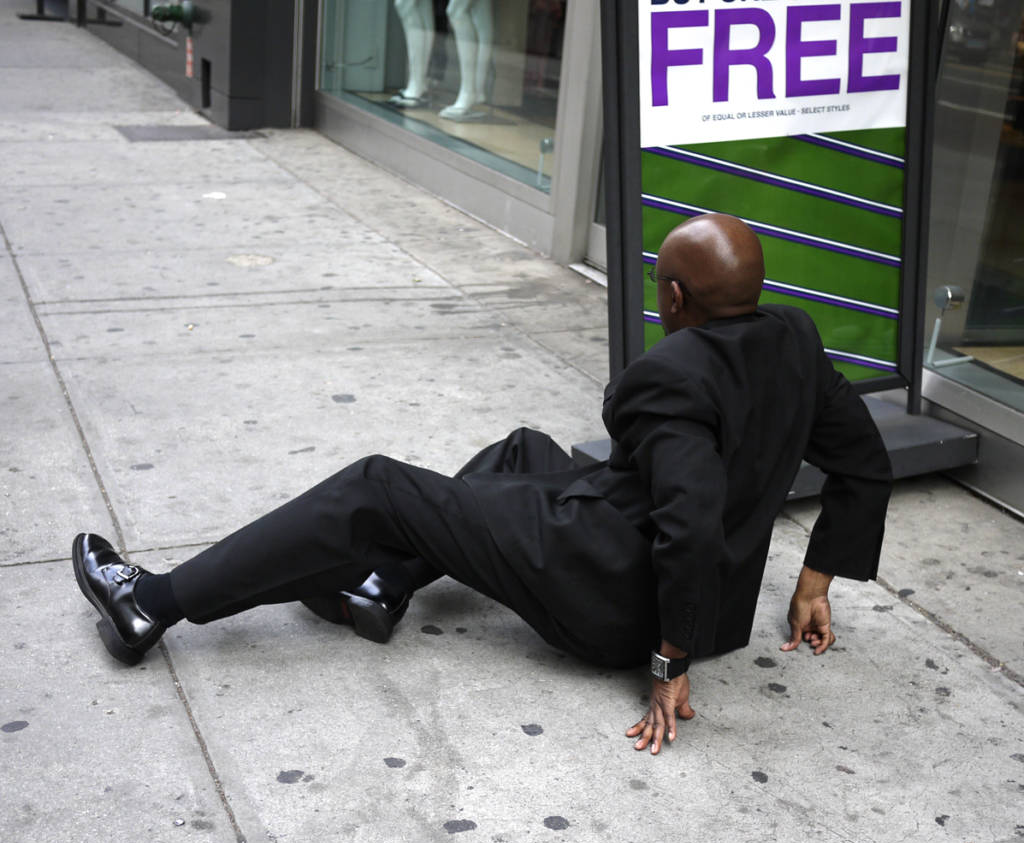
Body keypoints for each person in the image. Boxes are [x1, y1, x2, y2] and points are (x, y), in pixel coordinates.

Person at [73, 215, 892, 755]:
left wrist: (669, 661)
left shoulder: (673, 376)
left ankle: (153, 603)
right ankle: (383, 581)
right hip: (648, 564)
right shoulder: (791, 334)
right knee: (524, 449)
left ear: (674, 297)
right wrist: (816, 578)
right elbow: (863, 460)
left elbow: (689, 521)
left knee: (378, 486)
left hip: (610, 596)